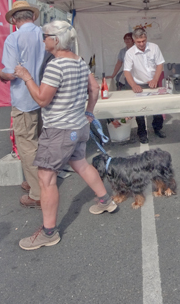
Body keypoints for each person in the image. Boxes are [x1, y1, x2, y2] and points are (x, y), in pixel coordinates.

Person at [13, 20, 116, 250]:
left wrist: (26, 76)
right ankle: (105, 200)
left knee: (46, 179)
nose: (43, 40)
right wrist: (89, 112)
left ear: (56, 40)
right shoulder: (79, 62)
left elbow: (41, 99)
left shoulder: (56, 66)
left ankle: (49, 233)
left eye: (45, 36)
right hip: (78, 125)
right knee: (80, 163)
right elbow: (94, 89)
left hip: (59, 130)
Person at [0, 1, 46, 209]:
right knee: (42, 140)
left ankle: (38, 191)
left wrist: (0, 74)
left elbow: (10, 73)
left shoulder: (14, 38)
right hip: (45, 93)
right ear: (33, 17)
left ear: (15, 20)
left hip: (24, 97)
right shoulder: (45, 34)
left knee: (27, 144)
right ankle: (39, 181)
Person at [123, 28, 166, 143]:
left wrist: (155, 79)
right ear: (134, 40)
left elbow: (160, 64)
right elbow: (126, 71)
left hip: (154, 83)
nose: (141, 44)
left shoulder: (154, 47)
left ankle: (157, 128)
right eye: (139, 42)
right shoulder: (129, 53)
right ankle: (142, 133)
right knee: (140, 111)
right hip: (139, 84)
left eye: (143, 41)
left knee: (157, 107)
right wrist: (133, 85)